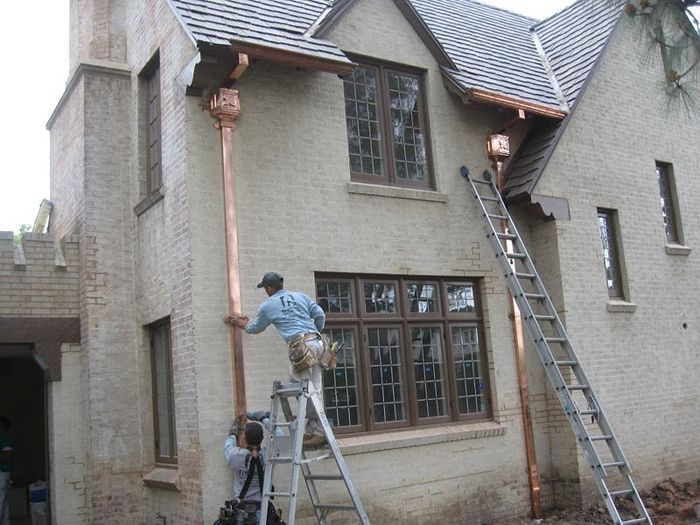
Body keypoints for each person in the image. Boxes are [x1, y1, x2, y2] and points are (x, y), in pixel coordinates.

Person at [224, 272, 327, 447]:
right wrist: (314, 334)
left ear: (269, 288)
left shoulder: (268, 305)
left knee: (300, 383)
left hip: (302, 346)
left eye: (265, 288)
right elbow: (320, 315)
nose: (265, 291)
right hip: (318, 342)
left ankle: (319, 432)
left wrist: (240, 323)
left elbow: (254, 328)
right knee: (315, 388)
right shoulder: (300, 296)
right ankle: (312, 430)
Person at [224, 421, 265, 525]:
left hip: (242, 510)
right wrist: (266, 420)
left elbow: (227, 447)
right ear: (262, 438)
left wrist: (233, 434)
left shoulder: (235, 456)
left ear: (244, 439)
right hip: (262, 510)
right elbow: (281, 438)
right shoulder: (269, 455)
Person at [0, 416, 14, 525]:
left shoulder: (5, 436)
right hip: (4, 473)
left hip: (2, 473)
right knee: (4, 504)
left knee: (1, 502)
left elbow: (7, 455)